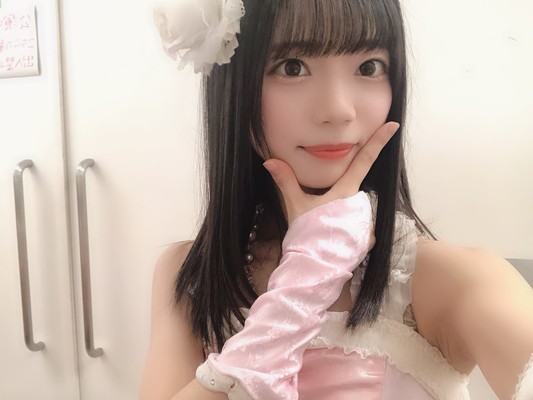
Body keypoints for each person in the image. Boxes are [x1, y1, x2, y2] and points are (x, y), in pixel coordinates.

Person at [141, 0, 533, 399]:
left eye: (369, 67)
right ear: (234, 84)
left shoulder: (445, 278)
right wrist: (305, 280)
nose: (338, 110)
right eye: (292, 67)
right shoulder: (191, 277)